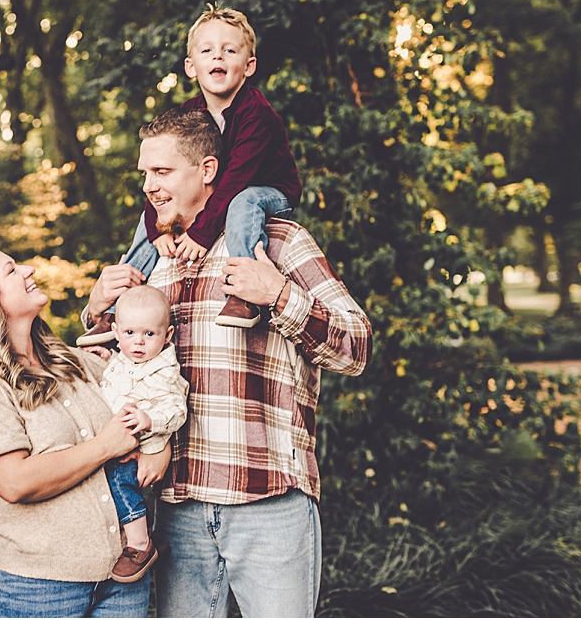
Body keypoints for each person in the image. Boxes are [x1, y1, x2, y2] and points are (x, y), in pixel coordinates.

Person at [81, 109, 372, 617]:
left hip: (268, 502)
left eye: (162, 171)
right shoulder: (151, 260)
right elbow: (112, 367)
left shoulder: (277, 242)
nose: (148, 186)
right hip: (176, 508)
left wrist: (279, 294)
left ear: (207, 170)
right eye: (145, 173)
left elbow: (356, 346)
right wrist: (95, 309)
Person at [0, 247, 171, 618]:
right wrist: (104, 446)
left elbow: (150, 391)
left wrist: (159, 447)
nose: (28, 270)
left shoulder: (74, 362)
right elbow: (15, 482)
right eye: (11, 270)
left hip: (122, 579)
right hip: (37, 588)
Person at [78, 6, 302, 345]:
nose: (218, 56)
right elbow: (161, 179)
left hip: (268, 190)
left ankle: (243, 293)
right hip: (225, 193)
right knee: (152, 215)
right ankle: (116, 310)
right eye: (207, 50)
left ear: (249, 66)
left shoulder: (257, 115)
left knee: (244, 201)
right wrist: (157, 229)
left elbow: (235, 180)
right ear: (190, 66)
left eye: (230, 50)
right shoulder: (188, 114)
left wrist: (200, 233)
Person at [96, 285, 189, 584]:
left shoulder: (165, 371)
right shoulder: (123, 360)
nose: (138, 341)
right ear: (115, 331)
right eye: (129, 333)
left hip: (142, 445)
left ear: (167, 335)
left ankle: (140, 544)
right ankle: (139, 534)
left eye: (149, 334)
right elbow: (119, 381)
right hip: (115, 441)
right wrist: (107, 361)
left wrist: (150, 420)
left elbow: (177, 411)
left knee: (119, 481)